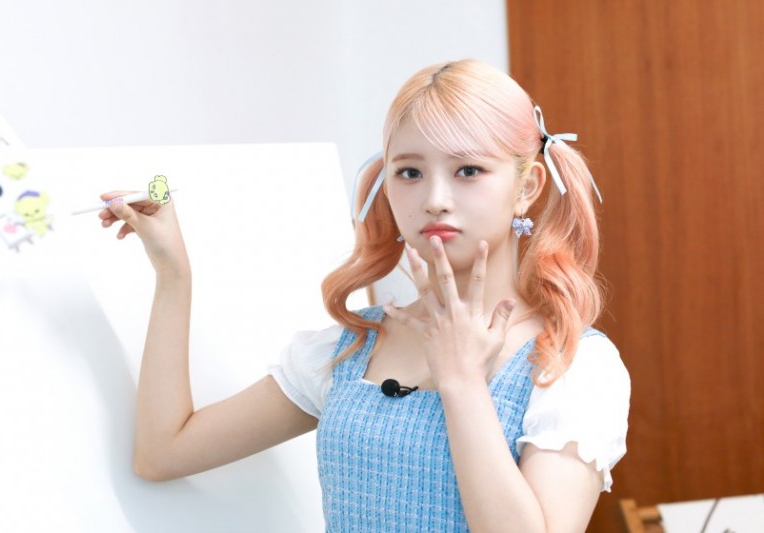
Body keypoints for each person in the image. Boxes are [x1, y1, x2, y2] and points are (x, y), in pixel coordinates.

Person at [98, 59, 630, 532]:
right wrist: (173, 275)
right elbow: (163, 453)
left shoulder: (573, 367)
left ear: (527, 187)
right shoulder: (350, 349)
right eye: (409, 172)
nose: (435, 199)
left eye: (468, 170)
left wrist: (463, 382)